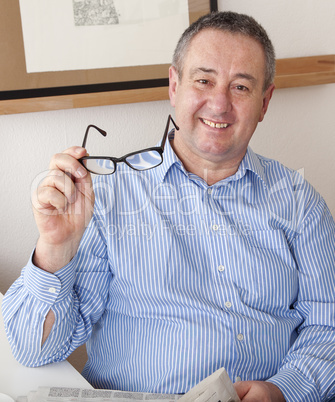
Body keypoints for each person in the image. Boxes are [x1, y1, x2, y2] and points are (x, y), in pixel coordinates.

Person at [2, 11, 335, 402]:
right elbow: (32, 349)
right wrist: (55, 248)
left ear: (265, 102)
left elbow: (328, 327)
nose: (219, 103)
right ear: (174, 86)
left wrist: (283, 391)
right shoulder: (104, 198)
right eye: (204, 80)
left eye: (241, 87)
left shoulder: (300, 202)